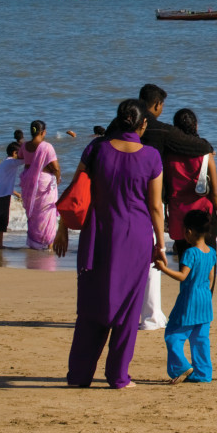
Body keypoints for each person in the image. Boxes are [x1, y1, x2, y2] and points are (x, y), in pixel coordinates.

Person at [55, 98, 166, 389]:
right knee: (128, 310)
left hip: (98, 234)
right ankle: (118, 376)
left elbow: (74, 193)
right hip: (135, 237)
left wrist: (62, 226)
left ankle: (79, 376)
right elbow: (156, 206)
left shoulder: (95, 149)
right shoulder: (151, 156)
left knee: (91, 305)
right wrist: (161, 244)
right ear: (142, 124)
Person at [135, 84, 213, 331]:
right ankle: (154, 316)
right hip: (153, 202)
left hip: (122, 199)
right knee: (155, 259)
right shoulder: (160, 130)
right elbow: (201, 147)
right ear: (157, 105)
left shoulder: (121, 128)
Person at [156, 208, 217, 384]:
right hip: (205, 298)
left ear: (188, 232)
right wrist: (206, 294)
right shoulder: (211, 252)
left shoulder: (190, 253)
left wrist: (163, 268)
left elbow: (183, 276)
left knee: (173, 334)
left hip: (189, 299)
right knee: (200, 339)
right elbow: (211, 278)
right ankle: (203, 373)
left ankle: (182, 366)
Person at [162, 108, 217, 255]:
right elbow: (215, 192)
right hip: (204, 215)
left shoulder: (167, 155)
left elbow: (164, 187)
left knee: (185, 263)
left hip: (178, 215)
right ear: (196, 126)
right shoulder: (205, 153)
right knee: (207, 262)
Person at [19, 120, 61, 250]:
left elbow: (21, 158)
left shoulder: (24, 146)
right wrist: (58, 178)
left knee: (33, 214)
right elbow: (56, 167)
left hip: (29, 182)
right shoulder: (46, 147)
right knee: (47, 212)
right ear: (43, 132)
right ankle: (49, 243)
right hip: (44, 182)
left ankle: (34, 242)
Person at [0, 142, 25, 248]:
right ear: (14, 153)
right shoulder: (11, 162)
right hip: (3, 195)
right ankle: (0, 244)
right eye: (19, 153)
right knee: (1, 220)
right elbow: (25, 160)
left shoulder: (5, 162)